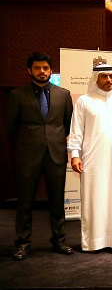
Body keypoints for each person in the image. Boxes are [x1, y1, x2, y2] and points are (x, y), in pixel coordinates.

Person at [6, 51, 74, 260]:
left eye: (45, 68)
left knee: (57, 200)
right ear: (30, 70)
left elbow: (68, 124)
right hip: (27, 155)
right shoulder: (17, 95)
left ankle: (59, 240)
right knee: (25, 201)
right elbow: (11, 127)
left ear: (51, 70)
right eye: (37, 68)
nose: (42, 71)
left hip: (56, 153)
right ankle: (22, 243)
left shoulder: (64, 94)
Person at [68, 61, 112, 252]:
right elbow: (76, 131)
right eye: (104, 76)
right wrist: (74, 154)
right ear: (96, 78)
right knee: (96, 198)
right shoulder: (84, 101)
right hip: (94, 160)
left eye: (111, 76)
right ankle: (95, 241)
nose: (109, 80)